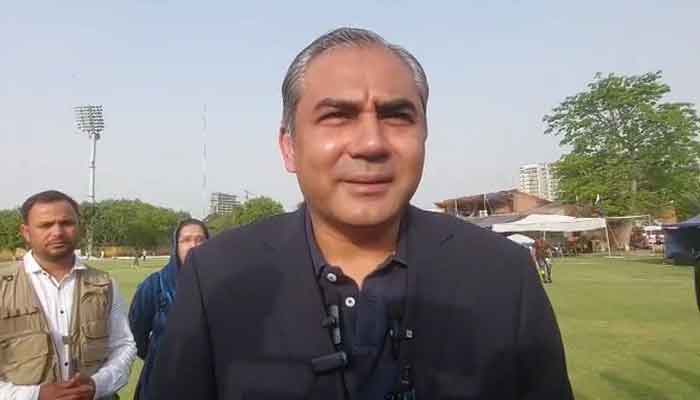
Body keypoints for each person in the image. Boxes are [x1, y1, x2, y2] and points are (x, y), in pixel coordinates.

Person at [150, 27, 573, 399]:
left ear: (424, 135)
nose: (371, 143)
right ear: (289, 147)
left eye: (397, 116)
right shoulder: (217, 276)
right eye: (337, 116)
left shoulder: (501, 274)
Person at [0, 190, 136, 400]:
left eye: (66, 223)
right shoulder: (3, 287)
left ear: (79, 227)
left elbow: (123, 345)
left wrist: (96, 385)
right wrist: (34, 395)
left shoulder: (104, 284)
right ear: (26, 232)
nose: (57, 232)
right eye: (45, 225)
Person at [128, 219, 209, 400]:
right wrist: (161, 356)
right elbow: (135, 335)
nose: (193, 246)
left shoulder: (219, 284)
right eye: (186, 240)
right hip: (162, 383)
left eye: (200, 239)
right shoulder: (156, 284)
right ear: (176, 246)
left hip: (206, 382)